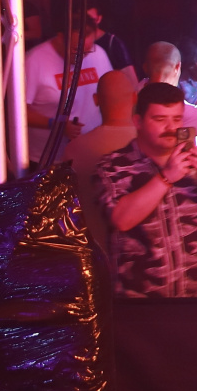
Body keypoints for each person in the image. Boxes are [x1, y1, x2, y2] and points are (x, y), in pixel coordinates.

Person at [97, 81, 197, 298]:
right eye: (160, 119)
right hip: (137, 300)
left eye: (177, 119)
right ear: (138, 121)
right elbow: (121, 219)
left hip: (193, 297)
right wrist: (166, 177)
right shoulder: (114, 165)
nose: (171, 128)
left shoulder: (192, 162)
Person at [66, 67, 139, 256]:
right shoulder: (149, 146)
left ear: (96, 99)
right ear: (134, 98)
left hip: (94, 255)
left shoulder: (74, 150)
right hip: (142, 258)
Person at [24, 15, 112, 162]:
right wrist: (56, 125)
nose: (81, 57)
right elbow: (17, 113)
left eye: (87, 50)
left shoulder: (99, 54)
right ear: (60, 38)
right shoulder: (33, 61)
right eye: (76, 50)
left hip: (91, 154)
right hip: (47, 159)